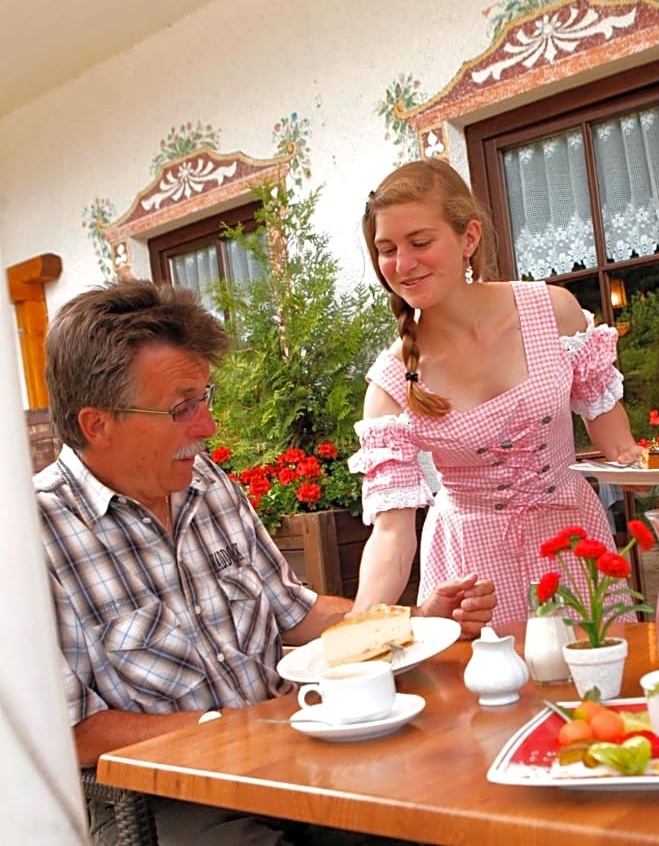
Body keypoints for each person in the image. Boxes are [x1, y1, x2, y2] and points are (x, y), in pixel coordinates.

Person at [37, 278, 496, 846]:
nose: (206, 426)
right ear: (96, 424)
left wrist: (413, 621)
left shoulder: (207, 485)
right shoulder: (34, 540)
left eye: (204, 399)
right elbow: (70, 729)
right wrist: (218, 731)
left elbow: (295, 613)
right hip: (160, 794)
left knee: (426, 812)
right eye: (182, 408)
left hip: (281, 756)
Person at [349, 159, 645, 625]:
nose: (403, 265)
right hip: (471, 581)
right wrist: (361, 628)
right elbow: (391, 533)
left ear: (469, 237)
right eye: (387, 249)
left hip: (575, 546)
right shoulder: (391, 385)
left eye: (420, 242)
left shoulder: (553, 314)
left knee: (600, 689)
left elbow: (619, 446)